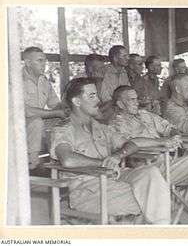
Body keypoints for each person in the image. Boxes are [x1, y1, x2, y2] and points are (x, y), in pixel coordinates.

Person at [50, 77, 171, 224]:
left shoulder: (100, 127)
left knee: (150, 172)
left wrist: (118, 156)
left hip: (114, 179)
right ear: (77, 102)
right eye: (92, 96)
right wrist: (103, 162)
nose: (98, 101)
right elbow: (67, 159)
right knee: (156, 195)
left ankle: (160, 229)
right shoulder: (63, 129)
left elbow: (131, 144)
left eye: (97, 94)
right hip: (89, 190)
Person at [109, 85, 188, 224]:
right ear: (120, 104)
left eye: (136, 99)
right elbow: (129, 142)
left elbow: (170, 128)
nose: (137, 102)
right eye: (132, 100)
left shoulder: (145, 115)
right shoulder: (116, 124)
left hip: (169, 163)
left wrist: (175, 136)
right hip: (150, 170)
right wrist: (162, 142)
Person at [22, 46, 66, 169]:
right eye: (39, 61)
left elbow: (55, 104)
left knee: (64, 120)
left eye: (45, 60)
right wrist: (56, 112)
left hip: (39, 122)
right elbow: (26, 111)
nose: (44, 64)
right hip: (19, 124)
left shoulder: (44, 81)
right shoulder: (16, 81)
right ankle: (33, 162)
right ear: (28, 62)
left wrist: (66, 110)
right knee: (36, 121)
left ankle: (60, 156)